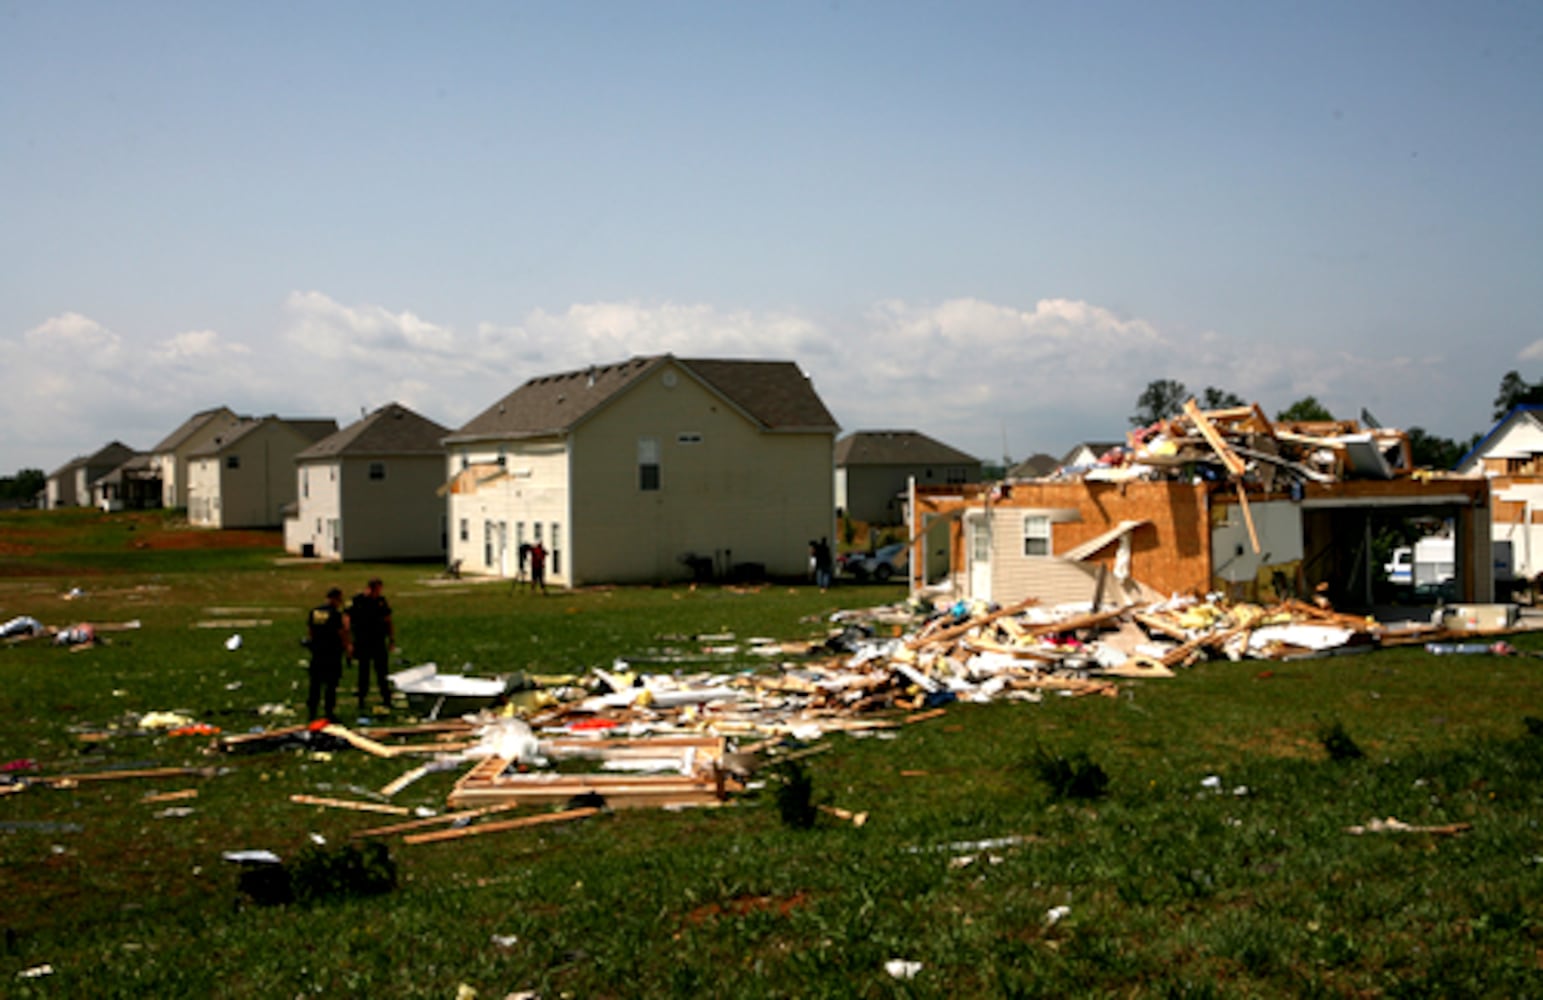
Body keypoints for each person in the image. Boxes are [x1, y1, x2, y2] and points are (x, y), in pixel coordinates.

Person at [350, 577, 396, 714]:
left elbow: (388, 620)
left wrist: (391, 639)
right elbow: (347, 619)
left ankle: (386, 698)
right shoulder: (358, 600)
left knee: (382, 671)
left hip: (378, 640)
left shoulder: (381, 601)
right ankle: (361, 698)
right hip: (363, 640)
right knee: (363, 671)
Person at [305, 587, 351, 722]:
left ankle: (312, 711)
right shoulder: (335, 614)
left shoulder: (315, 612)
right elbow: (341, 632)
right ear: (335, 598)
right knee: (331, 684)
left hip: (318, 651)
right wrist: (347, 647)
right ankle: (328, 712)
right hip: (332, 652)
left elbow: (310, 630)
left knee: (315, 684)